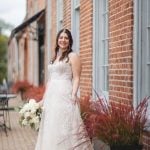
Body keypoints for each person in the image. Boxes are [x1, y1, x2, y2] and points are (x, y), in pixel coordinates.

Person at [35, 29, 94, 150]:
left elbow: (77, 78)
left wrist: (73, 94)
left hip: (65, 94)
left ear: (70, 41)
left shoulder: (73, 56)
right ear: (57, 40)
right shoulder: (55, 58)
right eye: (61, 37)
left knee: (65, 127)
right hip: (52, 97)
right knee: (52, 127)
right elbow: (50, 81)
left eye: (66, 38)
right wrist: (43, 99)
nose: (63, 40)